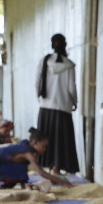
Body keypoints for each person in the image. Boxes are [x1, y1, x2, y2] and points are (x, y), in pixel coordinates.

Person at [35, 33, 79, 175]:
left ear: (52, 45)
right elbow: (72, 87)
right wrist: (74, 102)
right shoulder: (69, 65)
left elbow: (37, 82)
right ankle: (57, 168)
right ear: (65, 45)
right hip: (63, 107)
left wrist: (39, 98)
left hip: (45, 107)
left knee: (46, 137)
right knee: (61, 139)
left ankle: (47, 167)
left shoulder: (44, 61)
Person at [0, 127, 72, 190]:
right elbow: (41, 172)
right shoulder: (28, 152)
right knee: (21, 170)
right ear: (35, 142)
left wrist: (24, 185)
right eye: (44, 146)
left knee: (22, 168)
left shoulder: (25, 144)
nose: (45, 149)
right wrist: (62, 182)